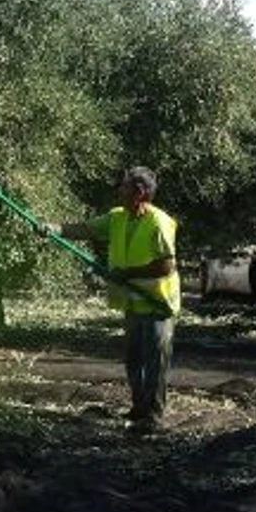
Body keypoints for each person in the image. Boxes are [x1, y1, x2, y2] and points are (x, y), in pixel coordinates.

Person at [58, 167, 180, 434]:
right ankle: (139, 408)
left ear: (139, 193)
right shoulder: (117, 217)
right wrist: (54, 228)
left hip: (158, 303)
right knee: (133, 359)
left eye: (124, 187)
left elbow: (166, 266)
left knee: (155, 362)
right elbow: (86, 229)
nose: (119, 191)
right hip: (133, 302)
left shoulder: (159, 222)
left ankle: (154, 416)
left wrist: (128, 274)